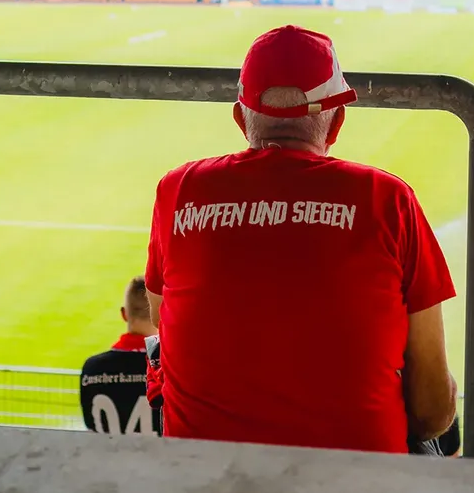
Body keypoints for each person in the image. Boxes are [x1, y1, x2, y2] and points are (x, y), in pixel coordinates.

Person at [144, 24, 457, 454]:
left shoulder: (178, 191)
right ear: (337, 121)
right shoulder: (389, 200)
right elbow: (432, 411)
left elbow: (165, 338)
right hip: (358, 481)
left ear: (240, 118)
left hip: (205, 478)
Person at [79, 276, 161, 436]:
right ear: (161, 314)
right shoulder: (167, 370)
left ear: (124, 314)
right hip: (161, 460)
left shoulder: (92, 368)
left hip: (108, 459)